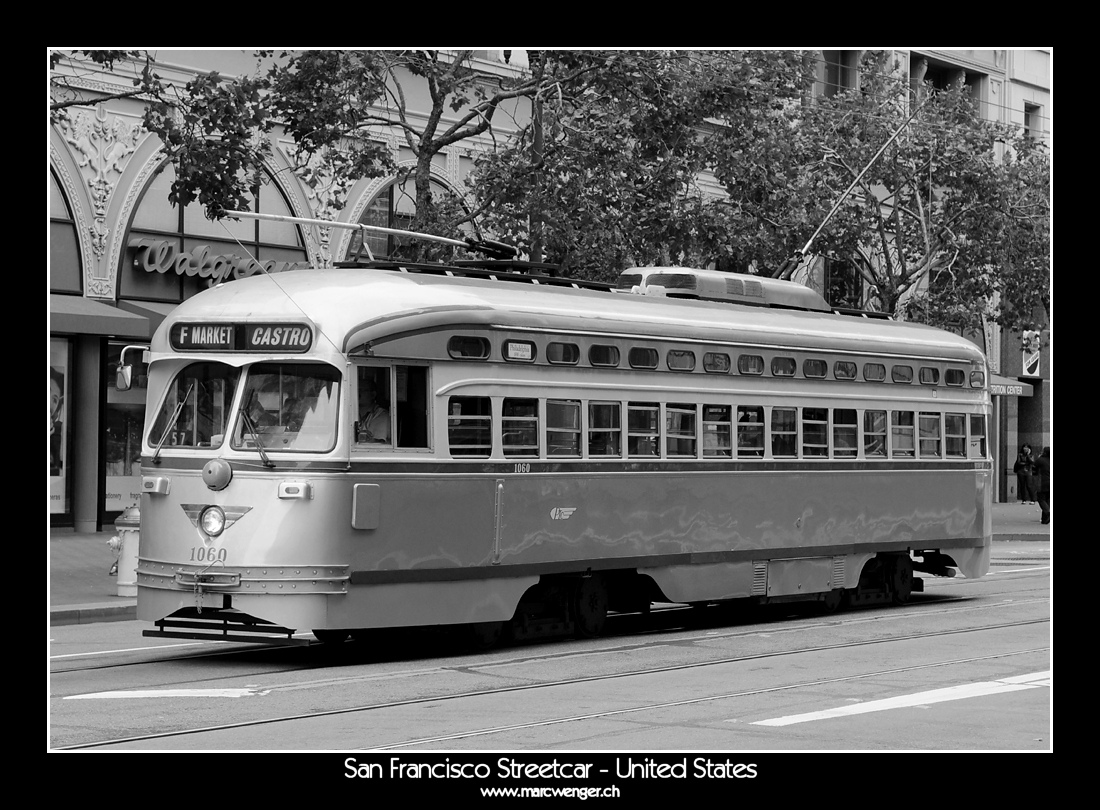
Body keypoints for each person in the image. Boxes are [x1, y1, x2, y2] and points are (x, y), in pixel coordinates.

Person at [1036, 446, 1050, 525]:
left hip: (1043, 482)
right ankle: (1045, 519)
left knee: (1041, 499)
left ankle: (1047, 512)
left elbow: (1034, 466)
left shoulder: (1040, 460)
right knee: (1047, 499)